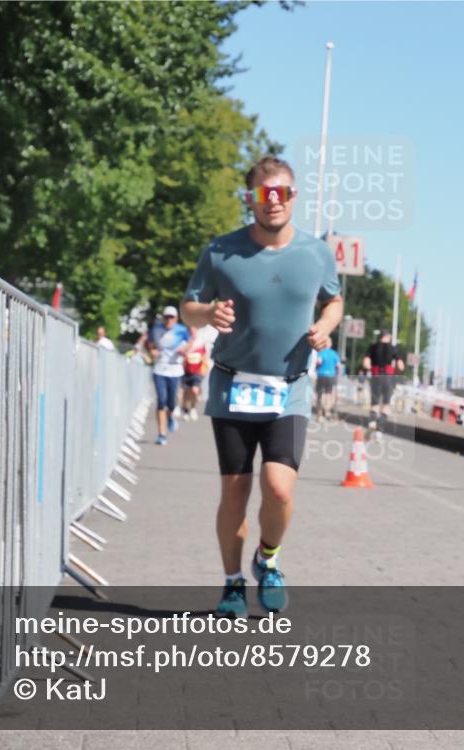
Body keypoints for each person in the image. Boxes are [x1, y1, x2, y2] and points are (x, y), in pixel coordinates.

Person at [181, 156, 343, 617]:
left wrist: (326, 325)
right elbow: (189, 305)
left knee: (280, 489)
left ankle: (267, 560)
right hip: (233, 387)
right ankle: (233, 583)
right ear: (250, 197)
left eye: (283, 193)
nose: (274, 202)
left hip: (288, 387)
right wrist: (207, 314)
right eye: (264, 193)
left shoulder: (316, 252)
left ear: (293, 197)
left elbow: (334, 299)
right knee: (234, 493)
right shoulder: (220, 251)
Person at [148, 306, 190, 446]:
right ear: (163, 317)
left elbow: (189, 344)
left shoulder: (182, 330)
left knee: (171, 403)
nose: (168, 320)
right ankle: (161, 434)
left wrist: (184, 350)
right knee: (161, 401)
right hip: (160, 369)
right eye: (166, 317)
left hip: (175, 370)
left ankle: (171, 416)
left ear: (176, 318)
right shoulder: (156, 328)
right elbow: (150, 344)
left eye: (171, 317)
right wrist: (152, 351)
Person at [362, 329, 404, 437]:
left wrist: (371, 369)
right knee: (386, 405)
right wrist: (396, 372)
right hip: (388, 378)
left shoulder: (372, 347)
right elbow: (401, 366)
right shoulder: (393, 348)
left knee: (375, 404)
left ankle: (372, 422)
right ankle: (380, 431)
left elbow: (366, 364)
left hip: (376, 376)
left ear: (379, 337)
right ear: (388, 337)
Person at [181, 326, 208, 421]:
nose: (193, 332)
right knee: (186, 392)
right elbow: (181, 354)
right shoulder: (185, 341)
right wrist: (189, 345)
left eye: (194, 330)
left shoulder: (201, 342)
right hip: (186, 371)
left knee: (195, 390)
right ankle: (185, 410)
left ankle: (193, 407)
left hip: (197, 371)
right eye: (191, 330)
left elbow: (204, 356)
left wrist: (204, 368)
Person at [314, 343, 341, 422]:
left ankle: (320, 413)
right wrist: (337, 375)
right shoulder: (334, 353)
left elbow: (319, 361)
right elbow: (338, 366)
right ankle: (327, 411)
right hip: (331, 376)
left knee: (320, 394)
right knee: (328, 394)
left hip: (321, 375)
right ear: (330, 345)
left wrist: (316, 368)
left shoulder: (321, 353)